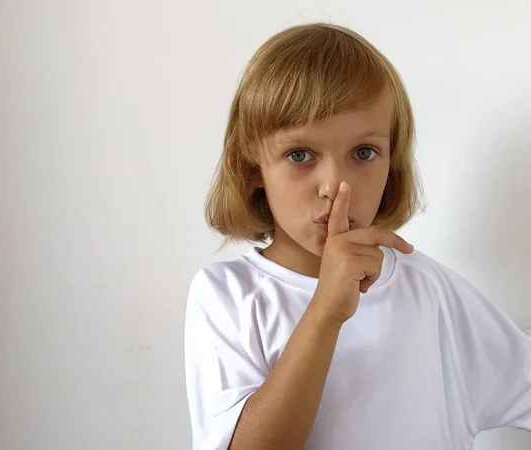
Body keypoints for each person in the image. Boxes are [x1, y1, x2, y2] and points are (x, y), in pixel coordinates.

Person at [184, 22, 531, 450]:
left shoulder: (429, 288)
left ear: (392, 164)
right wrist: (325, 312)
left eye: (363, 153)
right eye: (300, 155)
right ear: (254, 165)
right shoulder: (227, 296)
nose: (335, 185)